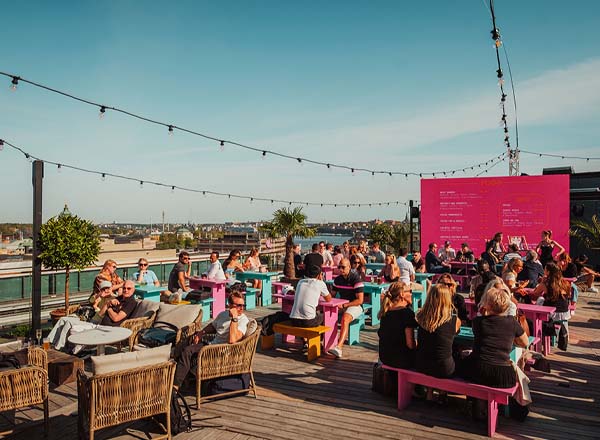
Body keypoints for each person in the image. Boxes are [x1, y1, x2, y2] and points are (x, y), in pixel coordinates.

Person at [173, 292, 249, 389]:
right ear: (229, 305)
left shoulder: (243, 320)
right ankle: (178, 382)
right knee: (184, 347)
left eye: (243, 305)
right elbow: (213, 326)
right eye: (238, 305)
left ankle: (176, 386)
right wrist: (201, 332)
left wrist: (234, 319)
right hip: (210, 345)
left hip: (221, 351)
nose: (241, 308)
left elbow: (232, 340)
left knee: (188, 352)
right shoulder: (223, 314)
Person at [459, 287, 528, 388]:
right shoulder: (512, 322)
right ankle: (501, 404)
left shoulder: (478, 321)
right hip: (503, 375)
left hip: (478, 369)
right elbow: (525, 342)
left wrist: (484, 313)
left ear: (487, 304)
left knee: (461, 362)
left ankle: (476, 402)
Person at [47, 280, 115, 351]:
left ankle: (59, 347)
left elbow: (100, 314)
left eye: (108, 288)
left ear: (111, 288)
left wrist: (97, 306)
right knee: (63, 319)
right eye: (103, 289)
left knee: (68, 323)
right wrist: (99, 295)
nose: (106, 290)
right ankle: (49, 342)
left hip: (95, 323)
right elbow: (91, 300)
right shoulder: (101, 297)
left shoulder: (113, 299)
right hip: (88, 320)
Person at [415, 283, 461, 378]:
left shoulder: (420, 317)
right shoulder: (454, 320)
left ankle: (430, 391)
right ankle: (442, 391)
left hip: (421, 364)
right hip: (443, 368)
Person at [328, 258, 364, 358]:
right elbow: (332, 295)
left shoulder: (356, 279)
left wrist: (344, 305)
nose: (340, 269)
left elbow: (360, 300)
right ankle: (323, 342)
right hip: (342, 305)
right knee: (324, 314)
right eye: (339, 267)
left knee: (345, 318)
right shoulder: (337, 280)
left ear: (349, 267)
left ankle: (339, 347)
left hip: (355, 305)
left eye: (343, 267)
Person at [377, 282, 417, 368]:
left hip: (385, 357)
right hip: (401, 360)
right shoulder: (407, 313)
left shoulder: (385, 312)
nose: (411, 294)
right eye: (410, 291)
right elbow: (410, 344)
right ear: (402, 294)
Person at [531, 263, 572, 342]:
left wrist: (541, 282)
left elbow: (535, 293)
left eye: (545, 269)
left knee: (540, 299)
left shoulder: (546, 284)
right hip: (565, 312)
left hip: (551, 314)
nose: (544, 271)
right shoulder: (565, 283)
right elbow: (568, 295)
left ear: (548, 272)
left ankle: (540, 330)